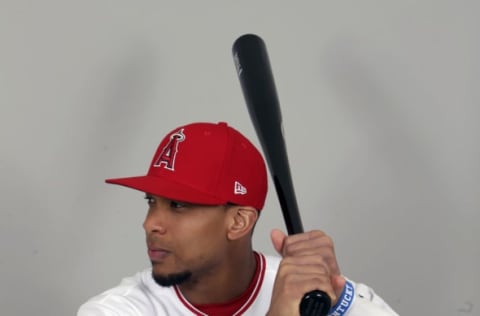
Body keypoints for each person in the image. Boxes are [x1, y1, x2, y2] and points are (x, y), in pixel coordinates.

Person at [78, 121, 399, 316]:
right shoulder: (117, 309)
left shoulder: (312, 291)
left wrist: (335, 299)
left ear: (239, 222)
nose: (151, 223)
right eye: (151, 201)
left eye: (177, 205)